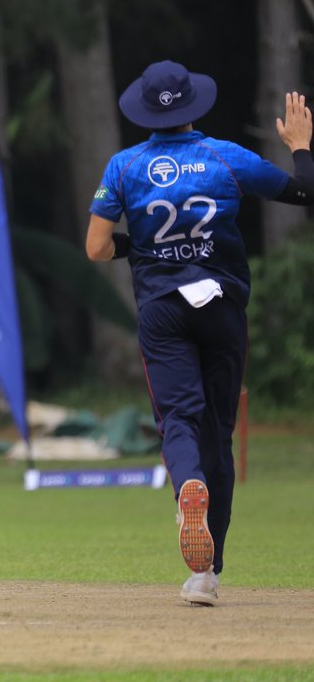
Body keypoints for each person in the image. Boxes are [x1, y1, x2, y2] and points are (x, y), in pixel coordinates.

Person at [86, 60, 314, 606]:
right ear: (194, 105)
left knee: (179, 421)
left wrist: (141, 248)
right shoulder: (225, 157)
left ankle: (188, 488)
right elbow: (304, 193)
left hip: (164, 308)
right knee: (220, 433)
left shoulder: (124, 166)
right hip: (222, 305)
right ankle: (208, 576)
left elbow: (96, 248)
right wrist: (300, 144)